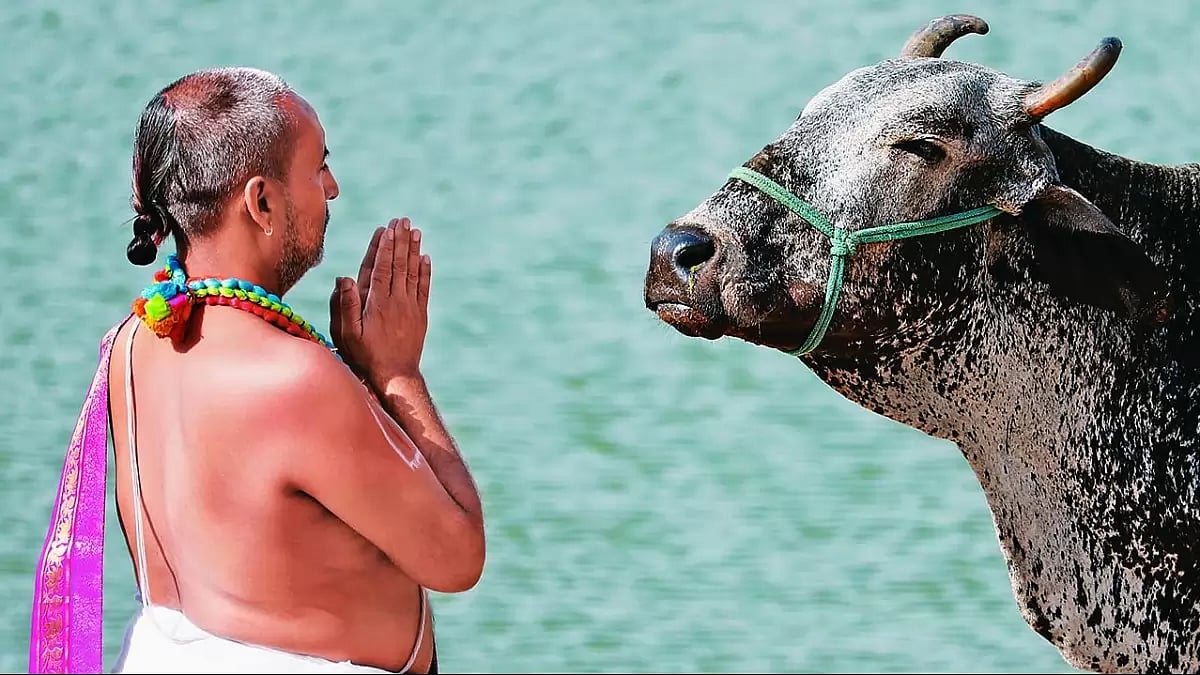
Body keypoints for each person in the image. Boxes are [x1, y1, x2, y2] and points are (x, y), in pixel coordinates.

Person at [27, 67, 486, 674]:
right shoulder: (293, 380)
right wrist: (397, 376)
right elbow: (457, 555)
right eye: (319, 166)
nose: (333, 188)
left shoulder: (132, 343)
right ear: (262, 202)